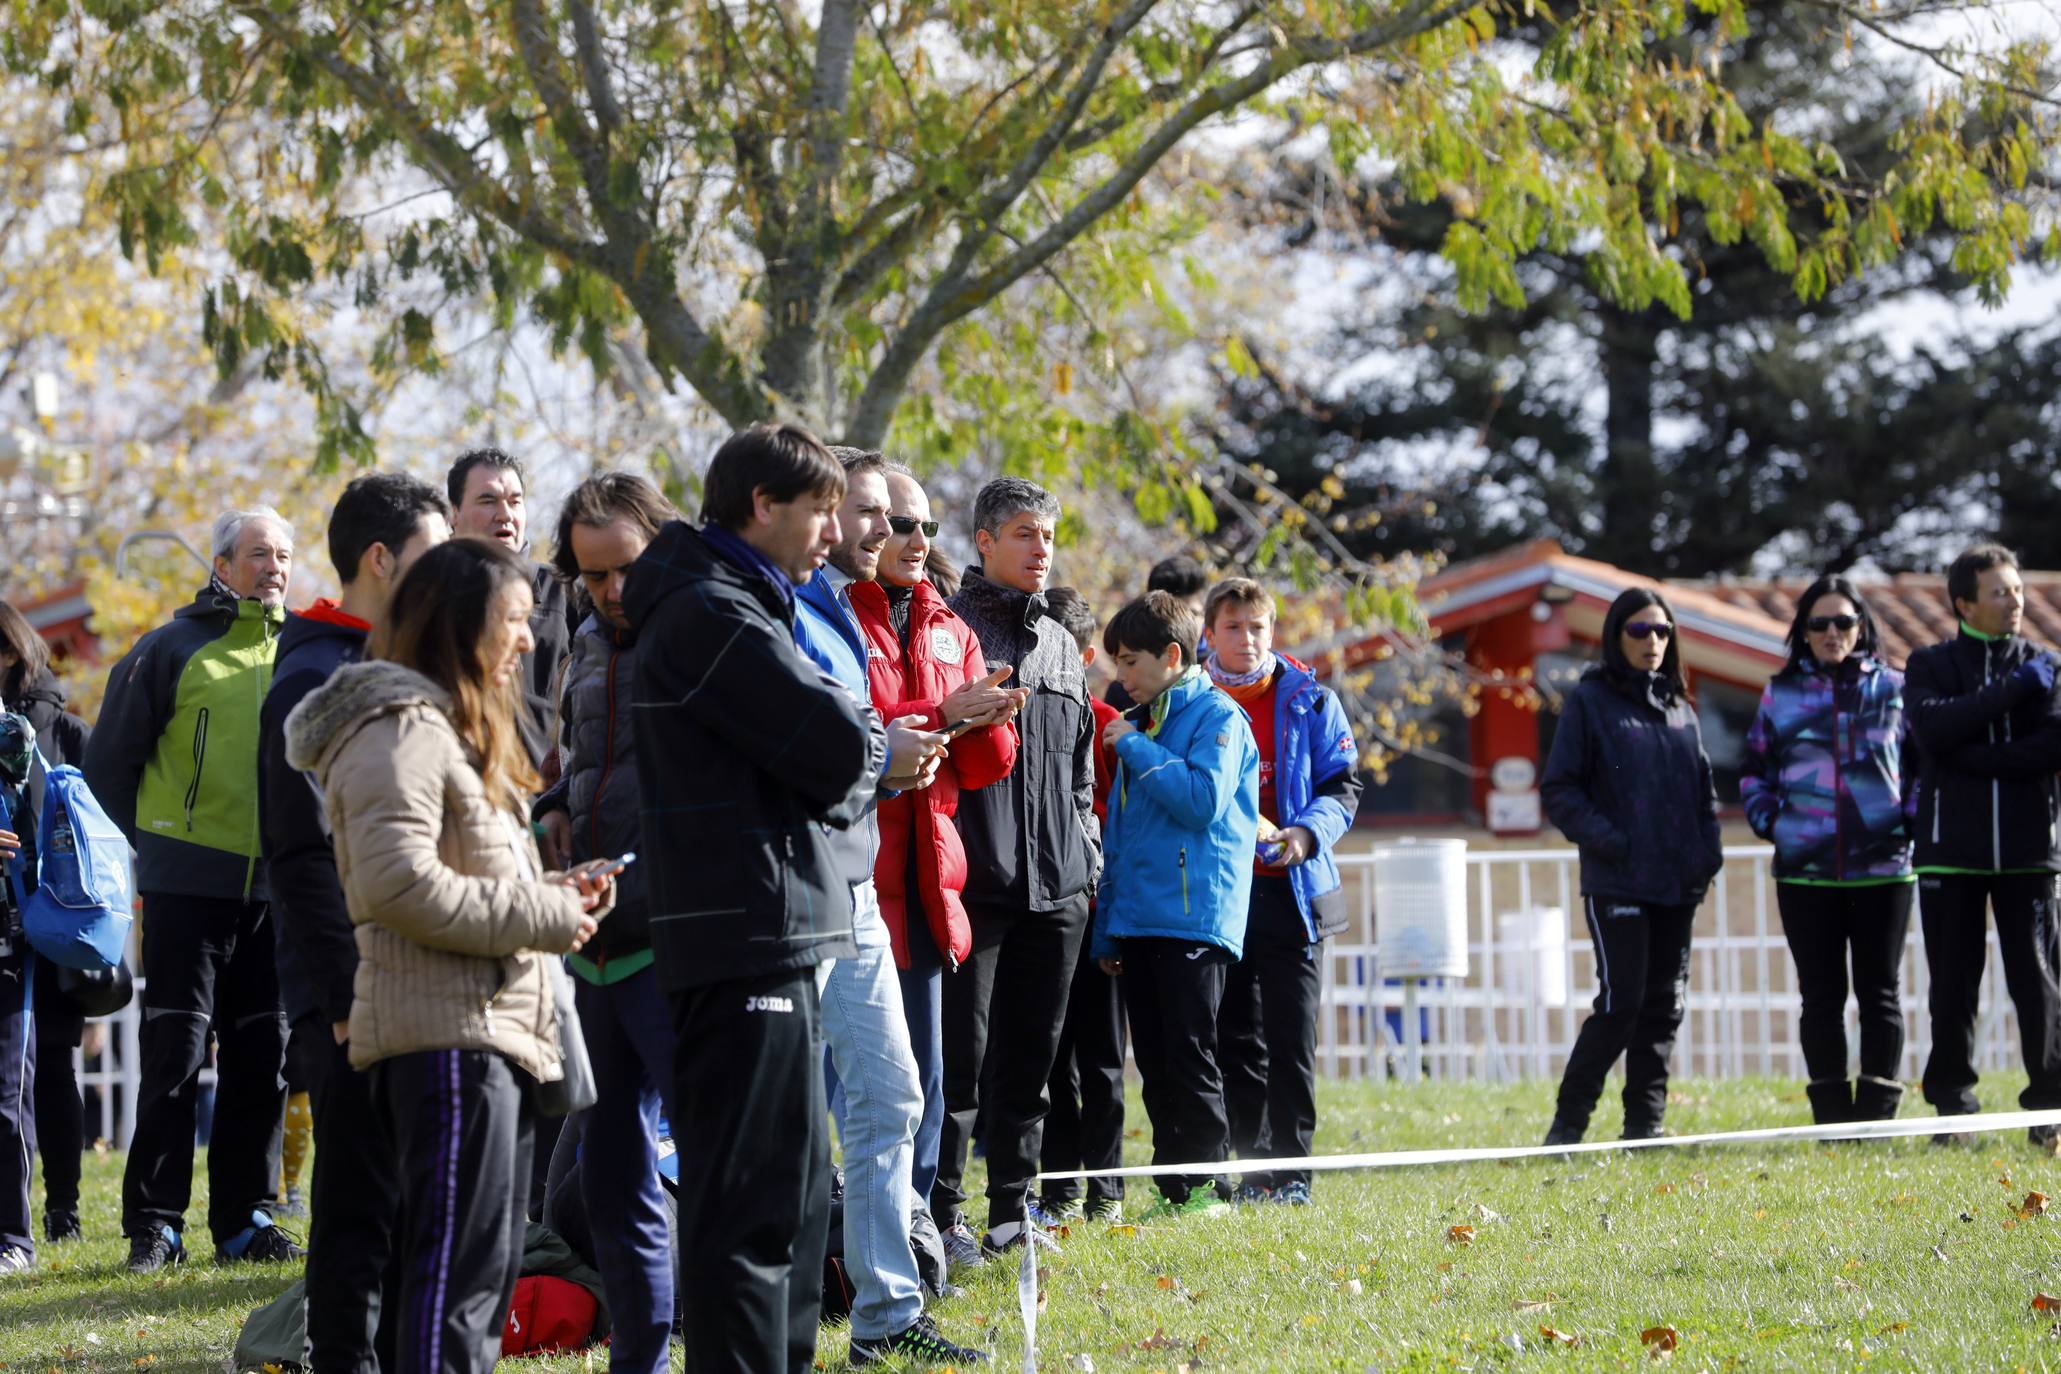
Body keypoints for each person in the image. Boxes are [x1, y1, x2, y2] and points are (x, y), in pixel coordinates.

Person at [284, 536, 609, 1373]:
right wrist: (542, 912)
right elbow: (398, 887)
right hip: (446, 1047)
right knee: (448, 1289)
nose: (530, 641)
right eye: (512, 621)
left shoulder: (444, 733)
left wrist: (557, 893)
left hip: (476, 1037)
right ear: (462, 627)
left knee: (474, 1283)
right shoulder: (400, 730)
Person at [624, 423, 897, 1374]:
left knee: (788, 1197)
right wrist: (878, 748)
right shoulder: (708, 609)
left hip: (771, 933)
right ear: (761, 507)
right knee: (747, 1204)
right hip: (742, 936)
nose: (837, 529)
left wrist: (856, 739)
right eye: (823, 508)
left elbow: (828, 734)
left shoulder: (741, 599)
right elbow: (829, 745)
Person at [798, 449, 985, 1367]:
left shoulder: (848, 612)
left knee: (893, 1099)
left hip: (866, 890)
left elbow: (968, 759)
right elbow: (806, 746)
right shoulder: (787, 609)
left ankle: (885, 1316)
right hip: (787, 897)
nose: (888, 532)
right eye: (870, 513)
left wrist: (937, 732)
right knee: (787, 1121)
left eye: (899, 518)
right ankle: (772, 1320)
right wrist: (906, 739)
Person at [259, 473, 448, 1368]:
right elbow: (298, 856)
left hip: (414, 977)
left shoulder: (395, 662)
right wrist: (342, 993)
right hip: (354, 990)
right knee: (357, 1210)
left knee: (410, 1205)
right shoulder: (312, 674)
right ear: (381, 559)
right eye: (430, 554)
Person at [84, 507, 300, 1271]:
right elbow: (109, 768)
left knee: (262, 1060)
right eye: (256, 554)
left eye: (282, 555)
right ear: (220, 565)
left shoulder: (307, 650)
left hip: (279, 892)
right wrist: (154, 857)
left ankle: (245, 1220)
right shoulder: (170, 649)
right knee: (173, 1055)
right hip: (183, 889)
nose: (273, 567)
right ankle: (156, 1224)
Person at [532, 472, 681, 1374]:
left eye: (625, 568)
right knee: (611, 1171)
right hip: (592, 949)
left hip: (677, 939)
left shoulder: (705, 630)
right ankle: (641, 1357)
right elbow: (591, 757)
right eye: (592, 577)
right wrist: (555, 803)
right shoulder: (584, 638)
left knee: (710, 1169)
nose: (611, 591)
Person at [940, 477, 1101, 1262]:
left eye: (1047, 536)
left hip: (1059, 894)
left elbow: (1080, 777)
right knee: (958, 1073)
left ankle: (1012, 1215)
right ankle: (940, 1219)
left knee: (1030, 1071)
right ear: (984, 540)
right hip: (974, 892)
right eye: (1024, 535)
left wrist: (1086, 862)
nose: (1041, 551)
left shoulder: (1065, 645)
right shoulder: (948, 628)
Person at [1090, 591, 1259, 1216]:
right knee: (1156, 1064)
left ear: (1172, 655)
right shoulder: (1146, 721)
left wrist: (1133, 747)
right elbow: (1123, 840)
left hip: (1195, 919)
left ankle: (1212, 1189)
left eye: (1130, 661)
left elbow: (1200, 800)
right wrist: (1110, 928)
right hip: (1140, 923)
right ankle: (1175, 1190)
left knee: (1192, 1055)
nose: (1121, 676)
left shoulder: (1218, 717)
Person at [1539, 589, 1721, 1146]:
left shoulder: (1680, 707)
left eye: (1662, 631)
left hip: (1677, 883)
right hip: (1617, 880)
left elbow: (1704, 794)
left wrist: (1706, 856)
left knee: (1666, 1005)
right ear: (1617, 636)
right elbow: (1561, 789)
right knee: (1622, 1003)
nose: (1653, 642)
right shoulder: (1591, 700)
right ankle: (1567, 1128)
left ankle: (1645, 1126)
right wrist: (1613, 842)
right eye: (1640, 631)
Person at [1203, 577, 1364, 1205]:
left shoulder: (1311, 698)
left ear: (1274, 632)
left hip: (1296, 893)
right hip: (1221, 895)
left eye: (1259, 627)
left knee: (1293, 1039)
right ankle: (1255, 1173)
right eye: (1234, 627)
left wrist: (1303, 834)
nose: (1247, 640)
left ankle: (1294, 1175)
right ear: (1210, 634)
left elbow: (1343, 787)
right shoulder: (1188, 698)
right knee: (1236, 1038)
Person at [1739, 576, 1915, 1128]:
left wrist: (1907, 820)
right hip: (1804, 872)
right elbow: (1754, 770)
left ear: (1862, 628)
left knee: (1880, 994)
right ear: (1804, 633)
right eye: (1820, 623)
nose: (1833, 632)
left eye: (1843, 622)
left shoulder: (1895, 689)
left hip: (1884, 868)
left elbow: (1921, 766)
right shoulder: (1781, 693)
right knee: (1820, 997)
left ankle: (1877, 1118)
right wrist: (1775, 824)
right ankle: (1834, 1122)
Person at [1904, 543, 2061, 1149]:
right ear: (1964, 603)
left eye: (2018, 590)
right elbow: (1933, 729)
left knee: (2039, 980)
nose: (2014, 601)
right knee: (1951, 984)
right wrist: (2010, 692)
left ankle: (2048, 1108)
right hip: (1950, 850)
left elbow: (2053, 746)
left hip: (2029, 851)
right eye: (2000, 592)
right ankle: (1954, 1108)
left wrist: (1975, 759)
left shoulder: (2046, 664)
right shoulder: (1928, 664)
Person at [1, 601, 91, 1251]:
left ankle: (56, 1209)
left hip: (44, 919)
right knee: (32, 1070)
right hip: (29, 919)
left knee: (44, 1067)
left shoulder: (53, 728)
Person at [1037, 587, 1128, 1224]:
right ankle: (1059, 1187)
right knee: (1049, 1059)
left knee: (1101, 1057)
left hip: (1098, 915)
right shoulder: (1021, 710)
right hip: (1041, 909)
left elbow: (1122, 825)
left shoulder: (1107, 724)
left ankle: (1109, 1190)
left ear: (1086, 654)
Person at [446, 447, 572, 775]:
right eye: (487, 501)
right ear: (453, 513)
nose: (505, 514)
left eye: (515, 502)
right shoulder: (428, 596)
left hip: (548, 806)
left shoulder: (565, 593)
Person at [1104, 556, 1208, 712]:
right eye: (1170, 614)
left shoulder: (1220, 680)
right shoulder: (1123, 691)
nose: (1183, 623)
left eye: (1192, 613)